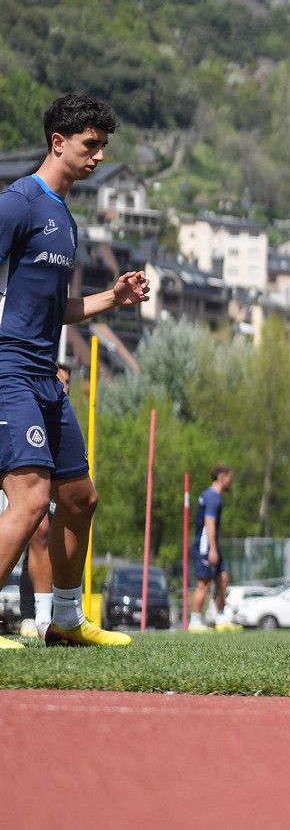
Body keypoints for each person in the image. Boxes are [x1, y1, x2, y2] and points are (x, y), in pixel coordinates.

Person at [0, 93, 149, 649]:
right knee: (33, 500)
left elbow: (56, 308)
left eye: (104, 146)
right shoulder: (17, 203)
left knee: (81, 497)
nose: (98, 156)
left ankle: (64, 619)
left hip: (45, 373)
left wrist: (112, 296)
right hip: (8, 368)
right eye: (91, 145)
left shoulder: (64, 217)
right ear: (58, 143)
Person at [14, 360, 70, 640]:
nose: (63, 387)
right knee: (38, 535)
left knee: (52, 539)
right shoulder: (27, 411)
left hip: (53, 494)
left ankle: (52, 618)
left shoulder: (64, 421)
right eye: (59, 381)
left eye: (67, 382)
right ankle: (31, 615)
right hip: (32, 486)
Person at [186, 465, 238, 631]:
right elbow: (209, 523)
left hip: (211, 544)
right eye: (230, 477)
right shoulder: (212, 497)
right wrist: (213, 550)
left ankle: (221, 618)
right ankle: (194, 622)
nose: (231, 481)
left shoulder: (212, 496)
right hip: (205, 545)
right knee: (204, 584)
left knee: (222, 579)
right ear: (222, 477)